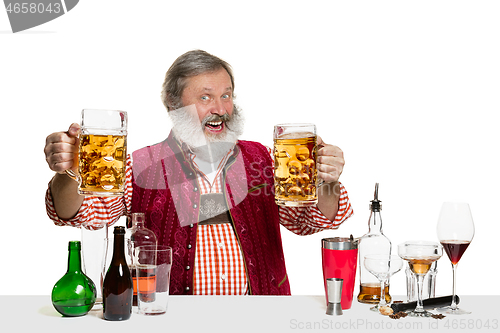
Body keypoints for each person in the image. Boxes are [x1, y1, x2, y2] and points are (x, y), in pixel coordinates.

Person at [44, 50, 353, 295]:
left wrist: (327, 182)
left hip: (261, 317)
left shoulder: (267, 160)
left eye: (226, 95)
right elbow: (84, 214)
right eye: (205, 97)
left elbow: (309, 221)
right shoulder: (138, 165)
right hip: (168, 320)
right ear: (173, 104)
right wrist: (68, 173)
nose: (220, 108)